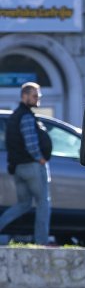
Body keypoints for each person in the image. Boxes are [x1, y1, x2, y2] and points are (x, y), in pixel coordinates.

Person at [0, 82, 52, 245]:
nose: (38, 99)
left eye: (39, 96)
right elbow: (31, 143)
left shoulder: (15, 116)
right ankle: (41, 242)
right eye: (35, 95)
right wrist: (40, 158)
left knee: (23, 204)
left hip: (18, 168)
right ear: (24, 96)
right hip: (31, 167)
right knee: (43, 203)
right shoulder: (26, 116)